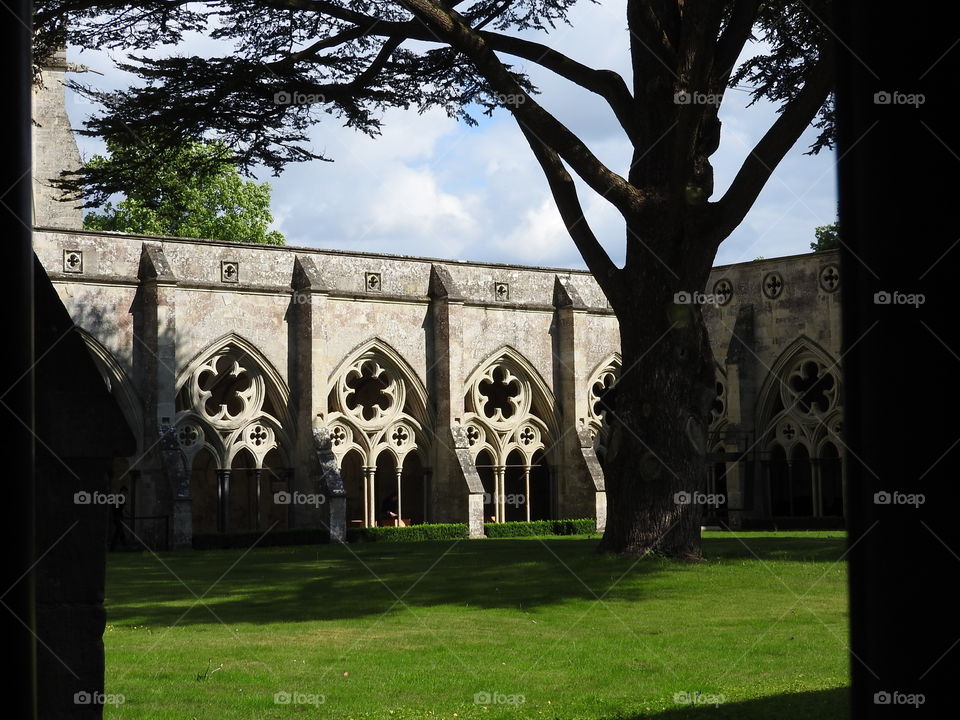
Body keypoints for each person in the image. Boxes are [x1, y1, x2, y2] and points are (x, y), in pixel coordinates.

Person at [109, 486, 128, 551]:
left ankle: (125, 544)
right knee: (118, 532)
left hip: (117, 517)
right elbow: (119, 508)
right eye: (125, 492)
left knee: (120, 531)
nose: (125, 494)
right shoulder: (120, 497)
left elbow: (118, 508)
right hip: (118, 517)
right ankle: (113, 547)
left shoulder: (118, 497)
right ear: (122, 491)